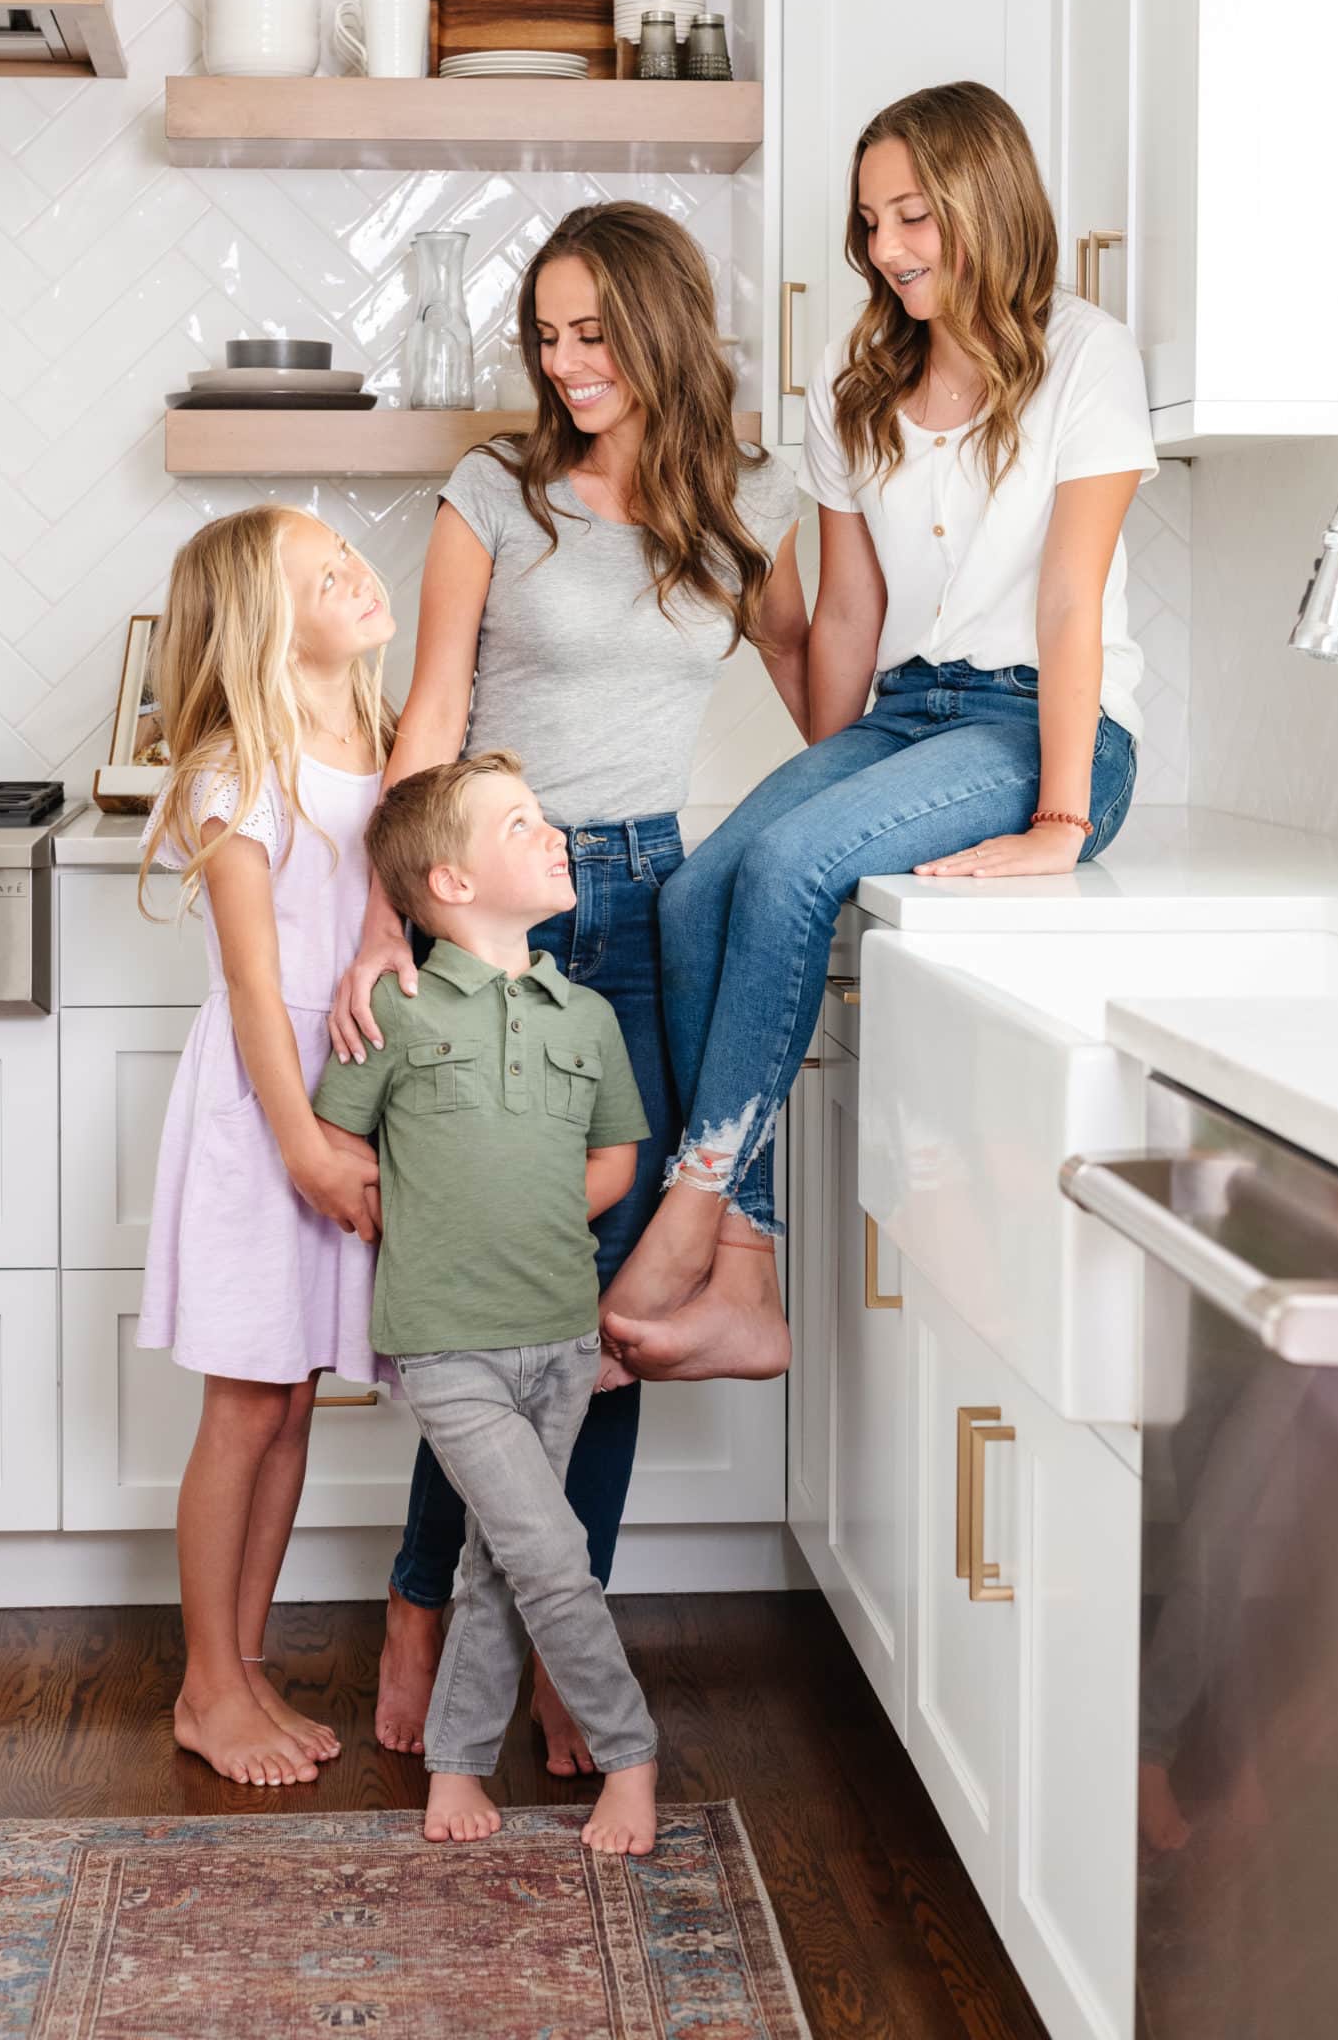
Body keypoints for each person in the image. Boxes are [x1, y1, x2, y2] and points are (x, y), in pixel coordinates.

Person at [327, 201, 806, 1764]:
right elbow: (434, 703)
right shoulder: (495, 489)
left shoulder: (744, 503)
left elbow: (825, 699)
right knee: (486, 1302)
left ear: (662, 324)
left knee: (602, 1314)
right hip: (492, 906)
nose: (563, 359)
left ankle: (550, 1637)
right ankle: (421, 1611)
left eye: (591, 329)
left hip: (654, 912)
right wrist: (386, 913)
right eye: (545, 332)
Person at [601, 79, 1154, 1383]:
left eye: (914, 214)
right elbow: (844, 616)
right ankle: (746, 1271)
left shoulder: (1084, 351)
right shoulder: (856, 387)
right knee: (697, 894)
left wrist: (1061, 822)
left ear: (985, 199)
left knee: (793, 871)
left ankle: (691, 1215)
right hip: (906, 723)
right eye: (871, 222)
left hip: (1041, 732)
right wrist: (817, 773)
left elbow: (1070, 598)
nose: (890, 246)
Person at [315, 752, 659, 1855]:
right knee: (551, 1555)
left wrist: (534, 1210)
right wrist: (406, 1212)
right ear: (451, 883)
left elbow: (615, 1155)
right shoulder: (398, 1009)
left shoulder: (586, 1016)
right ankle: (632, 1755)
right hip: (446, 1345)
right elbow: (335, 1140)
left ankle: (460, 1766)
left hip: (561, 1335)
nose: (553, 832)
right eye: (521, 824)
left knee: (499, 1560)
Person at [136, 506, 394, 1788]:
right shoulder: (244, 767)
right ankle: (205, 1684)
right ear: (260, 627)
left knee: (293, 1394)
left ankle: (236, 1668)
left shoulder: (386, 741)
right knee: (245, 1399)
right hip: (263, 1105)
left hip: (335, 1097)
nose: (358, 572)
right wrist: (300, 1139)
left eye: (349, 553)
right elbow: (253, 988)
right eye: (322, 573)